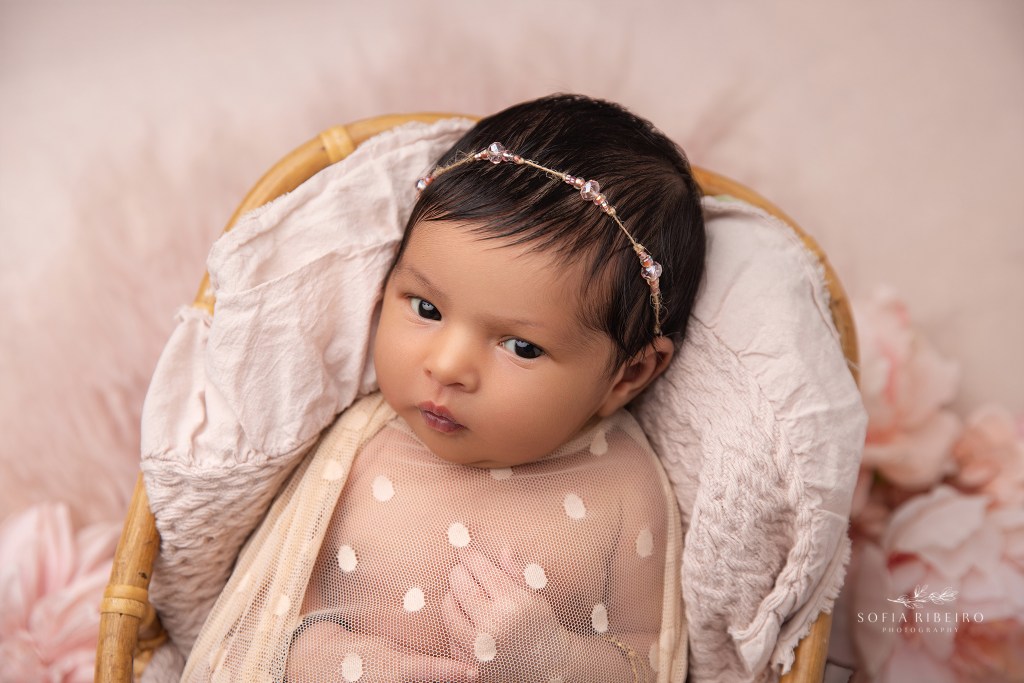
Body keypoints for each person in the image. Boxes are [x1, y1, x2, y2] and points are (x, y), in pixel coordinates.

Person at [186, 94, 705, 683]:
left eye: (521, 347)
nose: (448, 365)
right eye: (427, 307)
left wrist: (549, 659)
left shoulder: (625, 491)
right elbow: (266, 615)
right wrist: (344, 660)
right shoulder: (362, 447)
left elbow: (650, 661)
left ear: (627, 375)